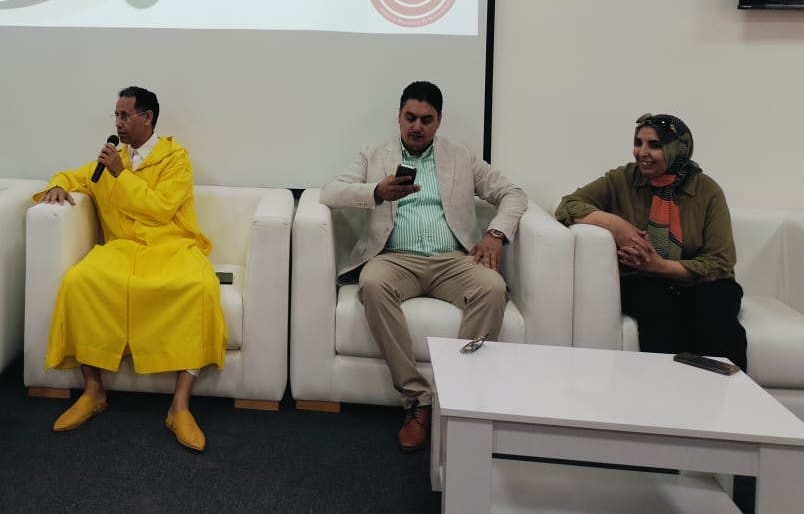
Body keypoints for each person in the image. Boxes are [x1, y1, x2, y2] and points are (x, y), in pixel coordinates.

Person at [320, 81, 526, 452]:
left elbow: (513, 193)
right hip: (395, 258)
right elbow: (330, 191)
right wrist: (376, 191)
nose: (417, 126)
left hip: (453, 260)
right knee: (372, 284)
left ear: (439, 121)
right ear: (399, 117)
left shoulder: (461, 156)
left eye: (426, 120)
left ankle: (458, 400)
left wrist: (496, 233)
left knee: (493, 288)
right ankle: (417, 400)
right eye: (410, 117)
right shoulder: (374, 154)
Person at [37, 86, 226, 452]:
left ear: (147, 117)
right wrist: (57, 184)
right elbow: (73, 176)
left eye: (125, 115)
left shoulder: (175, 158)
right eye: (116, 115)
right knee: (78, 281)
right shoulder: (112, 158)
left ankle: (179, 406)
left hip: (170, 246)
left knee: (200, 287)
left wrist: (121, 174)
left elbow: (160, 209)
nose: (118, 123)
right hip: (122, 248)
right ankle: (93, 391)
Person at [555, 113, 747, 370]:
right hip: (644, 281)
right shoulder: (623, 179)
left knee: (717, 314)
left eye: (654, 145)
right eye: (638, 143)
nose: (642, 152)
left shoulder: (707, 190)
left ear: (678, 149)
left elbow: (720, 262)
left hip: (701, 282)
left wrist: (659, 265)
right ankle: (661, 390)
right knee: (657, 309)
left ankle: (728, 391)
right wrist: (616, 225)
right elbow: (568, 205)